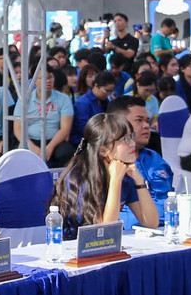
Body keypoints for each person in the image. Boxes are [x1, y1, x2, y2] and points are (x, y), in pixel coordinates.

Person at [48, 112, 159, 240]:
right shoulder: (78, 177)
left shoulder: (125, 175)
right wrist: (115, 181)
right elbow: (104, 232)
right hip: (78, 249)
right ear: (103, 150)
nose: (132, 144)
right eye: (125, 139)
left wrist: (139, 181)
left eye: (132, 136)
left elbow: (151, 223)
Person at [106, 95, 173, 216]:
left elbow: (171, 197)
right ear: (119, 124)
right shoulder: (110, 165)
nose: (146, 126)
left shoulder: (155, 159)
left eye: (147, 121)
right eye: (139, 120)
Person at [11, 66, 73, 165]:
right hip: (30, 140)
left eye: (50, 77)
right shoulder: (24, 99)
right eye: (43, 78)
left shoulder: (64, 98)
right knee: (18, 157)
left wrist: (50, 147)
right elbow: (17, 128)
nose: (48, 81)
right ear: (35, 81)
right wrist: (32, 146)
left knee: (66, 153)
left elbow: (65, 128)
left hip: (54, 141)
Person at [71, 71, 115, 146]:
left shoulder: (105, 101)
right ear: (96, 86)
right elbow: (83, 128)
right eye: (106, 91)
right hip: (84, 141)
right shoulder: (83, 103)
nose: (108, 94)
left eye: (111, 92)